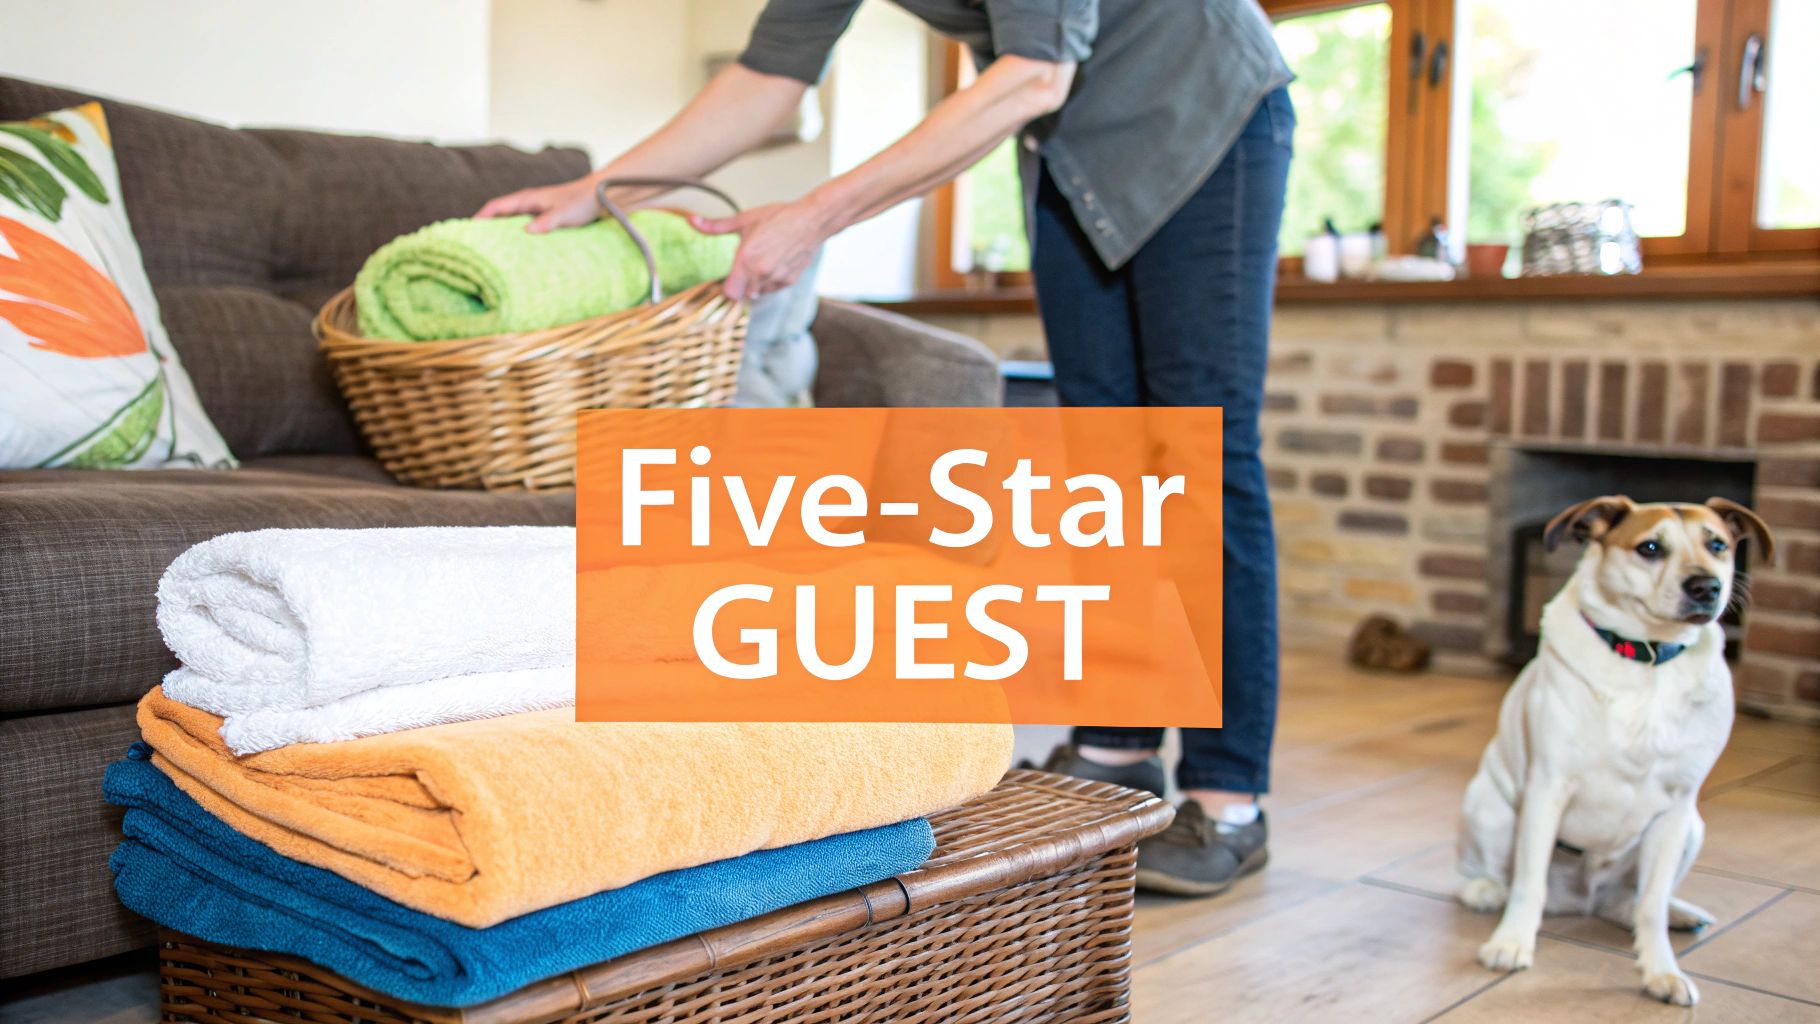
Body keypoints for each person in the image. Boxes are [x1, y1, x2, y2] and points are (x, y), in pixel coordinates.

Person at [480, 0, 1294, 897]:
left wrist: (816, 214)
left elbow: (1033, 73)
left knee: (1196, 453)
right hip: (1074, 149)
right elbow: (766, 78)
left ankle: (1228, 800)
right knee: (1108, 455)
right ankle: (1120, 744)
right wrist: (601, 193)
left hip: (1204, 108)